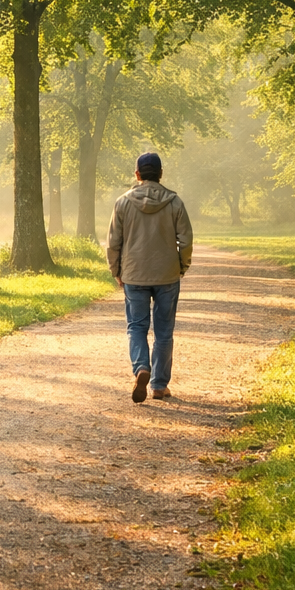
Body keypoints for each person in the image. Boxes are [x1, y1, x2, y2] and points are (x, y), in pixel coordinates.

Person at [106, 151, 193, 403]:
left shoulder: (122, 202)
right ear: (161, 174)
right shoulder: (175, 202)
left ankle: (141, 368)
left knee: (136, 327)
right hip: (167, 275)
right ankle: (158, 385)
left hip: (134, 274)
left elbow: (113, 242)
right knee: (164, 332)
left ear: (137, 174)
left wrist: (116, 270)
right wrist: (181, 266)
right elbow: (185, 240)